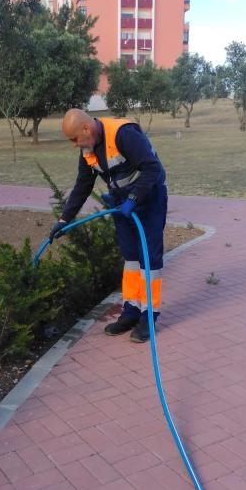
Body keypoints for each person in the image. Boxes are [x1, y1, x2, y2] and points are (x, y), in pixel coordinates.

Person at [50, 108, 167, 343]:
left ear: (86, 128)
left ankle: (149, 317)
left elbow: (152, 169)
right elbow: (83, 185)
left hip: (149, 199)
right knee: (131, 259)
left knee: (149, 260)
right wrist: (64, 219)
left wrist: (134, 199)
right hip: (123, 204)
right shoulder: (88, 149)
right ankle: (131, 311)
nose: (75, 144)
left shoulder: (123, 134)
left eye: (75, 139)